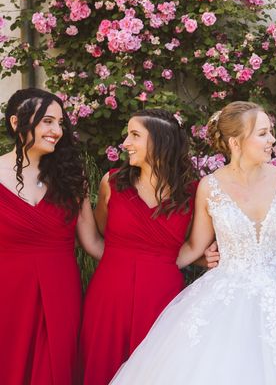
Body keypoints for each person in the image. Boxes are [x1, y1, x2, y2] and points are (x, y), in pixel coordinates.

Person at [110, 101, 276, 384]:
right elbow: (194, 246)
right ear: (236, 142)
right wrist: (150, 266)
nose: (272, 139)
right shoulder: (210, 187)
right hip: (225, 294)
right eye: (263, 133)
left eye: (270, 132)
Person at [80, 109, 197, 385]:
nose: (126, 143)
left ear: (161, 140)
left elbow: (194, 243)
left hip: (162, 296)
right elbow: (98, 236)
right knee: (102, 367)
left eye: (134, 135)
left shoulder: (192, 192)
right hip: (109, 295)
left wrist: (181, 260)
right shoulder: (112, 182)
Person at [0, 88, 102, 385]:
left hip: (60, 293)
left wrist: (156, 259)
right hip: (7, 294)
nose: (57, 131)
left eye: (60, 123)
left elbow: (93, 243)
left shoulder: (72, 176)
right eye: (47, 121)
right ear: (17, 122)